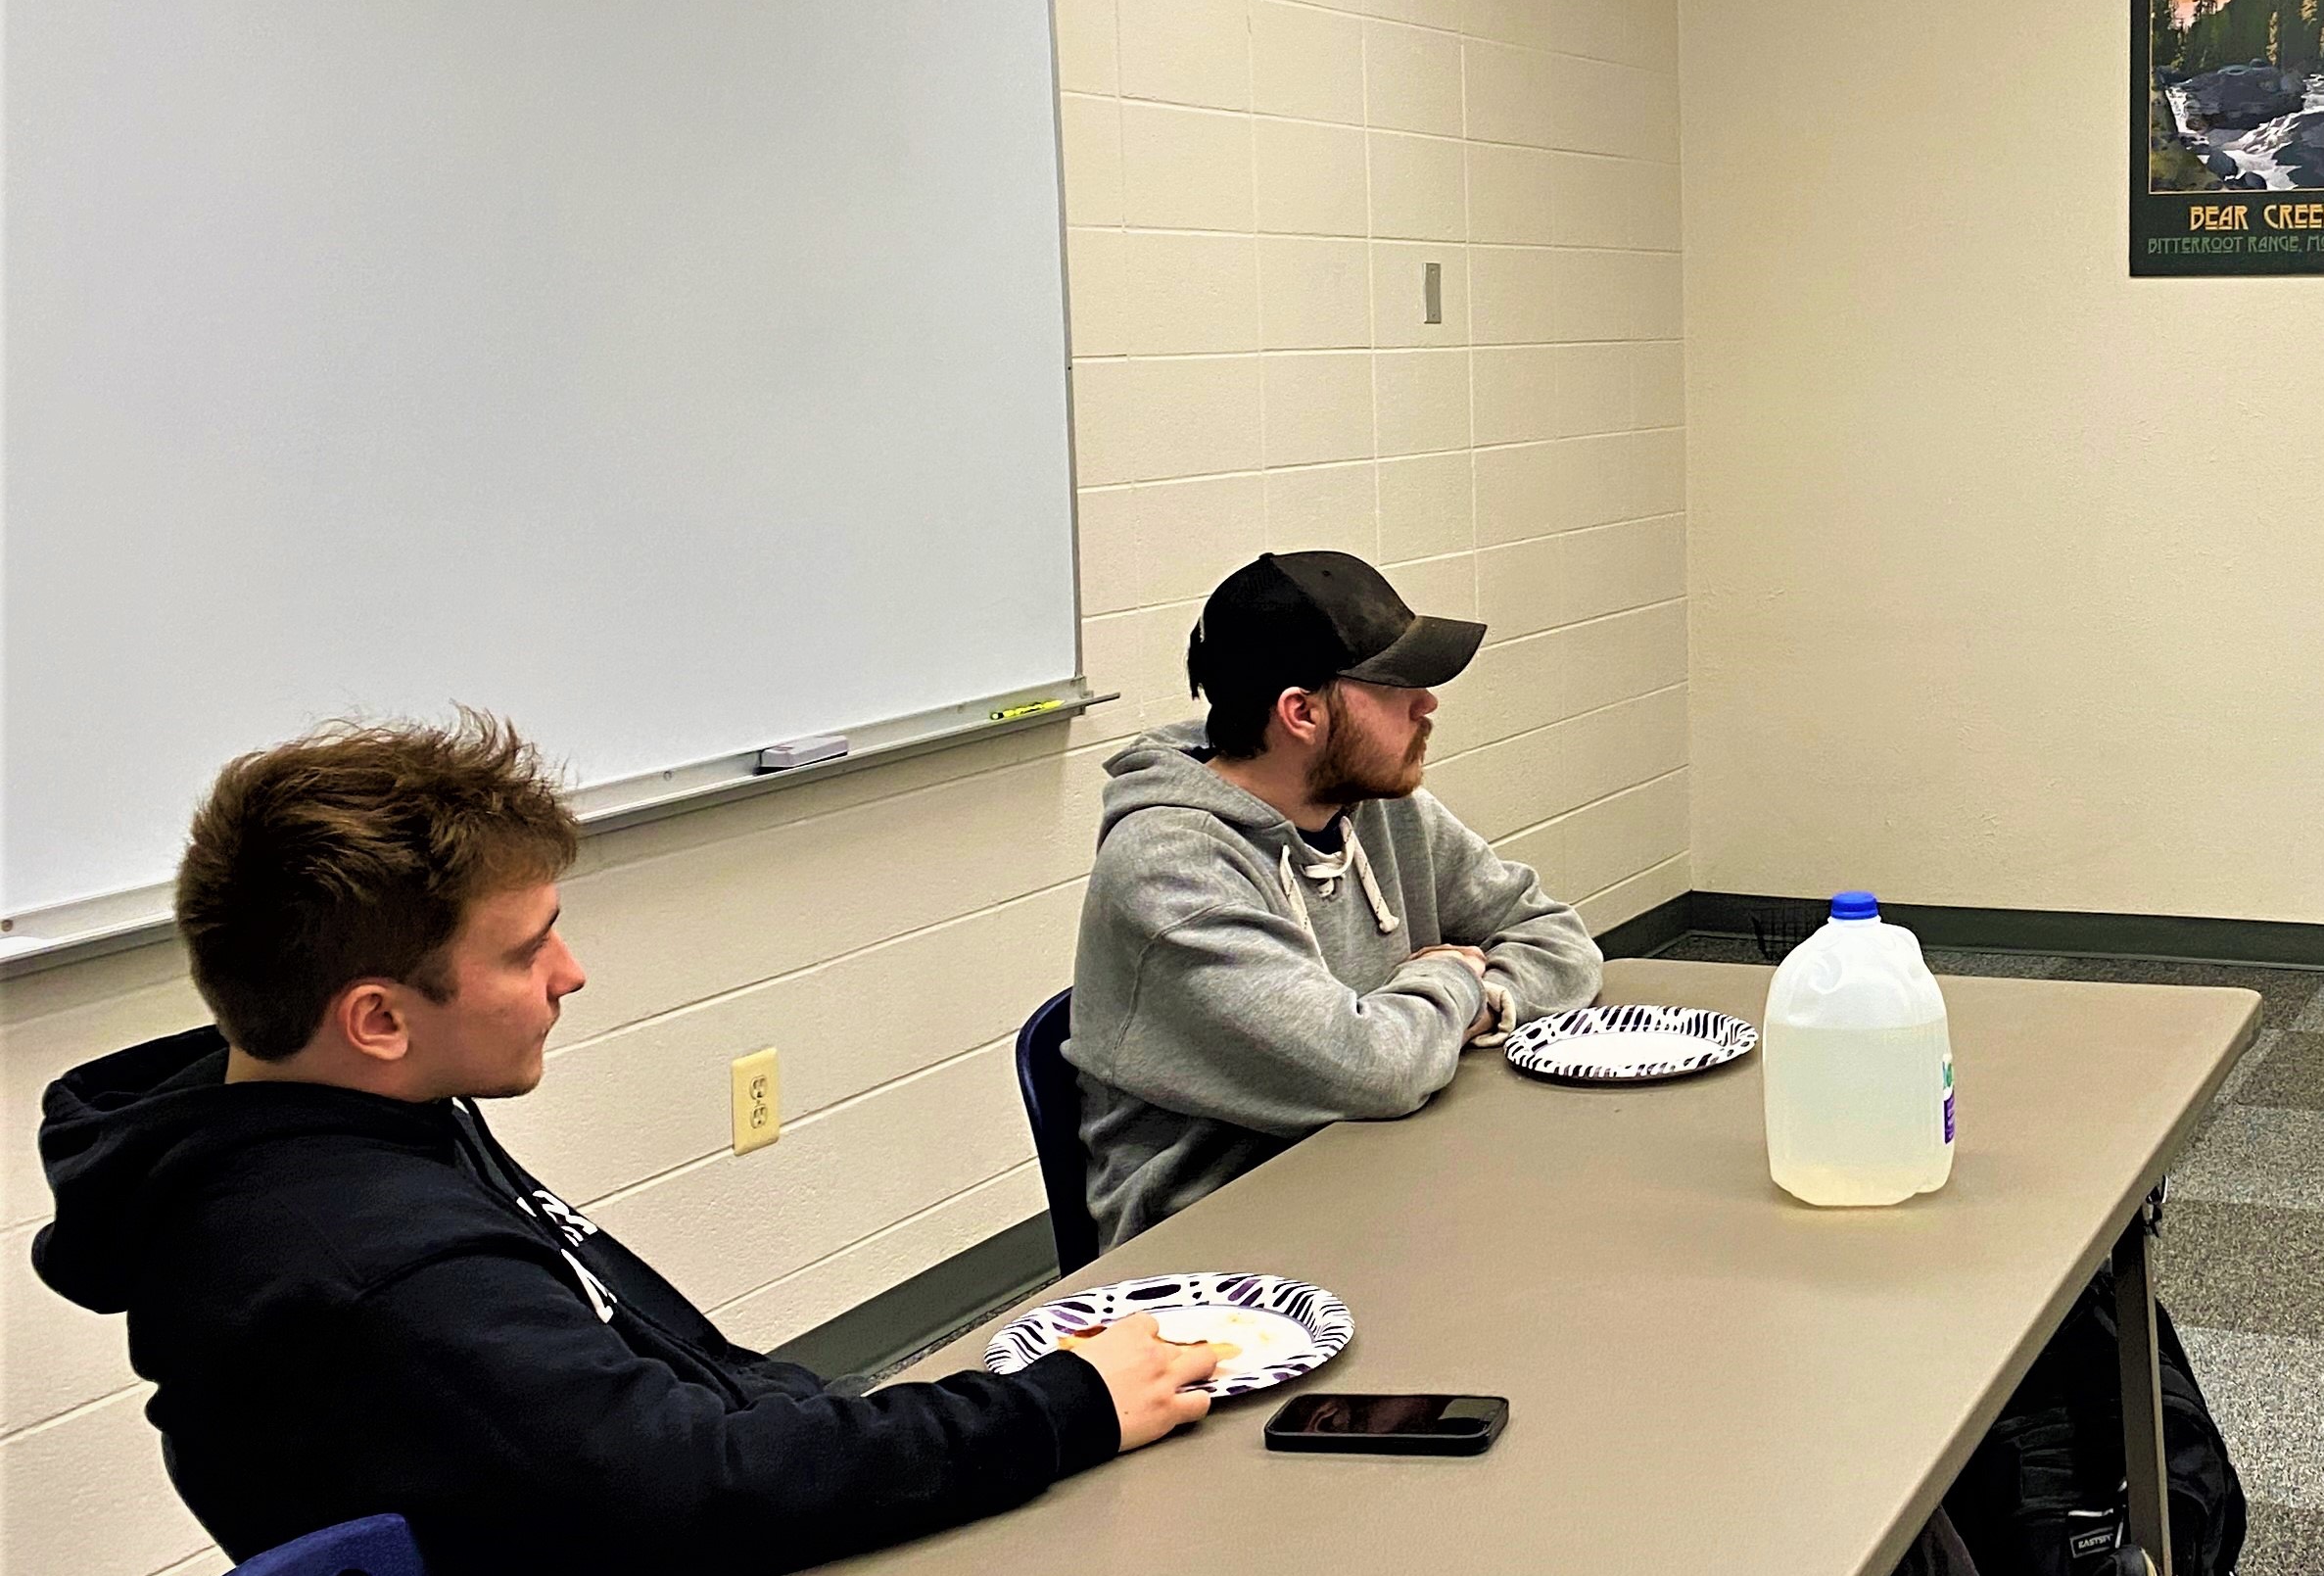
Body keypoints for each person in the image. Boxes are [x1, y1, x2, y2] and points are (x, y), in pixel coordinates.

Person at [30, 716, 1218, 1576]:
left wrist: (884, 1422)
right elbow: (699, 1484)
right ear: (378, 1016)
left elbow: (669, 1400)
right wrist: (1058, 1405)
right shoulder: (365, 1264)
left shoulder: (349, 1109)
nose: (571, 971)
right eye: (524, 949)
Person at [1072, 549, 1603, 1245]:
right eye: (1397, 685)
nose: (1427, 703)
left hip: (1384, 1165)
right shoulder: (1173, 870)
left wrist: (1487, 1000)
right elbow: (1373, 1068)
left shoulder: (1373, 802)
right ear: (1302, 712)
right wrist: (1451, 976)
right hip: (1222, 1244)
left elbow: (1559, 939)